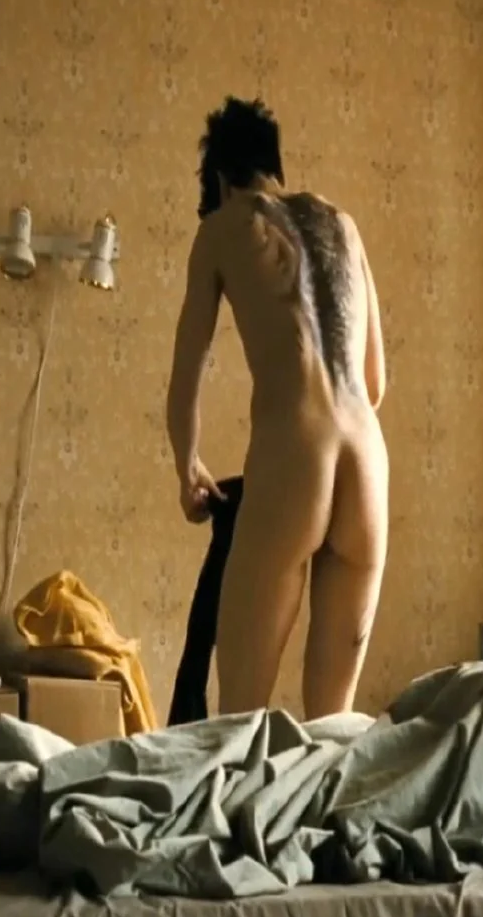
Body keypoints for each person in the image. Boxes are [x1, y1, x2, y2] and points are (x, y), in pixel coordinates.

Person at [165, 96, 389, 721]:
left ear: (220, 179)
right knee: (334, 725)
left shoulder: (222, 229)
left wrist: (188, 468)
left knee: (240, 720)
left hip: (296, 454)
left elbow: (186, 376)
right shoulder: (344, 226)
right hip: (368, 462)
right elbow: (375, 383)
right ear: (272, 165)